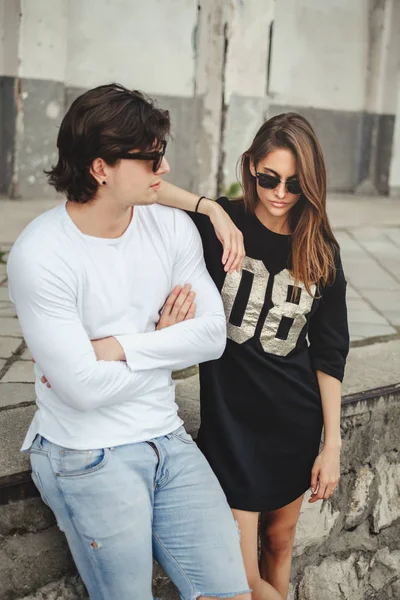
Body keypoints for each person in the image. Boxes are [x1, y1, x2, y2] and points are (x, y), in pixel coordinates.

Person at [7, 83, 251, 600]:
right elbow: (82, 390)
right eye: (152, 158)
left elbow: (211, 336)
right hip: (86, 451)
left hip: (168, 438)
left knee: (233, 595)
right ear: (101, 167)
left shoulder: (172, 229)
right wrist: (163, 340)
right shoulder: (42, 253)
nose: (164, 169)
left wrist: (120, 345)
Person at [156, 113, 350, 600]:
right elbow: (145, 188)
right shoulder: (219, 226)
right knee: (240, 581)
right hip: (231, 427)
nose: (280, 193)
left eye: (294, 182)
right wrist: (211, 208)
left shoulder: (321, 248)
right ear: (251, 168)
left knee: (281, 543)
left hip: (294, 420)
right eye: (268, 178)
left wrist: (332, 445)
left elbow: (329, 353)